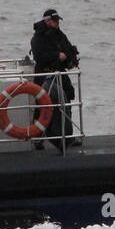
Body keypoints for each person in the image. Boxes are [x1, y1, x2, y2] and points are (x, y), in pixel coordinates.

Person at [30, 9, 80, 147]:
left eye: (58, 21)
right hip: (44, 74)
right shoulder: (38, 38)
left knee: (68, 97)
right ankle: (37, 137)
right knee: (41, 106)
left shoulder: (60, 35)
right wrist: (56, 56)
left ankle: (67, 136)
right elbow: (39, 56)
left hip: (59, 72)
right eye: (54, 21)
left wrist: (71, 59)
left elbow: (68, 48)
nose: (57, 23)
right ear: (47, 21)